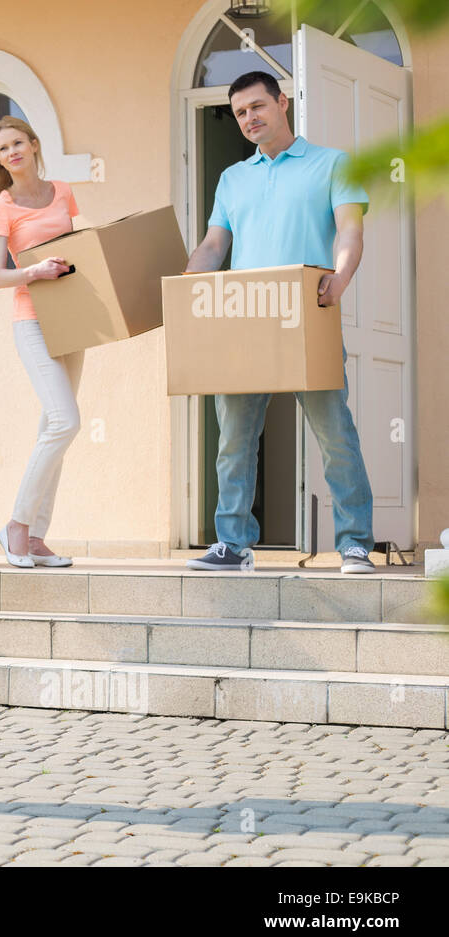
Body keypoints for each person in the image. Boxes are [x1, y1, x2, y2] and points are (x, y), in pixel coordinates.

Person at [184, 70, 374, 574]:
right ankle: (233, 543)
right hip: (244, 321)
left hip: (307, 316)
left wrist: (341, 276)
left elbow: (350, 230)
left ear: (282, 103)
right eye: (241, 112)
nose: (249, 118)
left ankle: (354, 542)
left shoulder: (333, 164)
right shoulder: (232, 179)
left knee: (335, 434)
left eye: (257, 107)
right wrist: (185, 288)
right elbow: (213, 246)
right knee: (234, 439)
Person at [0, 116, 81, 568]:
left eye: (18, 143)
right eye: (3, 149)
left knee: (52, 429)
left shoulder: (62, 192)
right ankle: (16, 527)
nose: (12, 153)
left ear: (35, 145)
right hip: (32, 320)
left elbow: (80, 249)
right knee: (66, 422)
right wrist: (34, 272)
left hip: (74, 318)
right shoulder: (2, 206)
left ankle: (38, 536)